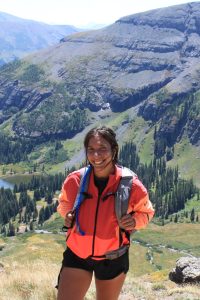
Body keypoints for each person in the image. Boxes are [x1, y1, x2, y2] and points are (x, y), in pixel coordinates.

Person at [57, 126, 154, 300]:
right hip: (77, 254)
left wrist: (135, 221)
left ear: (114, 150)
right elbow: (63, 203)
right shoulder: (75, 180)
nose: (96, 156)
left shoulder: (130, 184)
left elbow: (147, 212)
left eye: (102, 149)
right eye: (91, 150)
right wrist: (67, 215)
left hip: (113, 258)